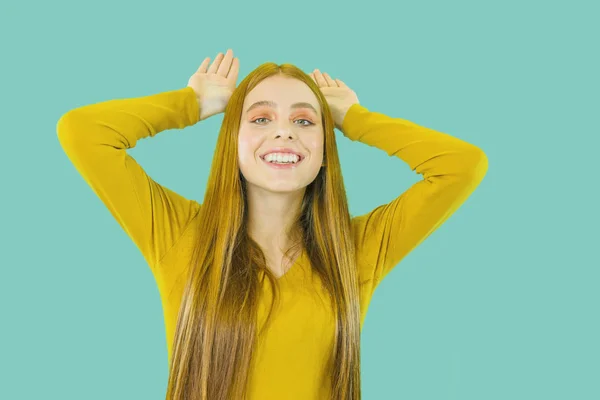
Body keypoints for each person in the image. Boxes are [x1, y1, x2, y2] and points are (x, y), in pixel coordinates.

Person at [57, 48, 488, 400]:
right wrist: (194, 104)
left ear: (324, 149)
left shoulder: (354, 249)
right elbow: (82, 132)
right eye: (261, 118)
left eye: (304, 120)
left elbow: (462, 166)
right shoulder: (180, 234)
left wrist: (352, 118)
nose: (284, 133)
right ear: (233, 139)